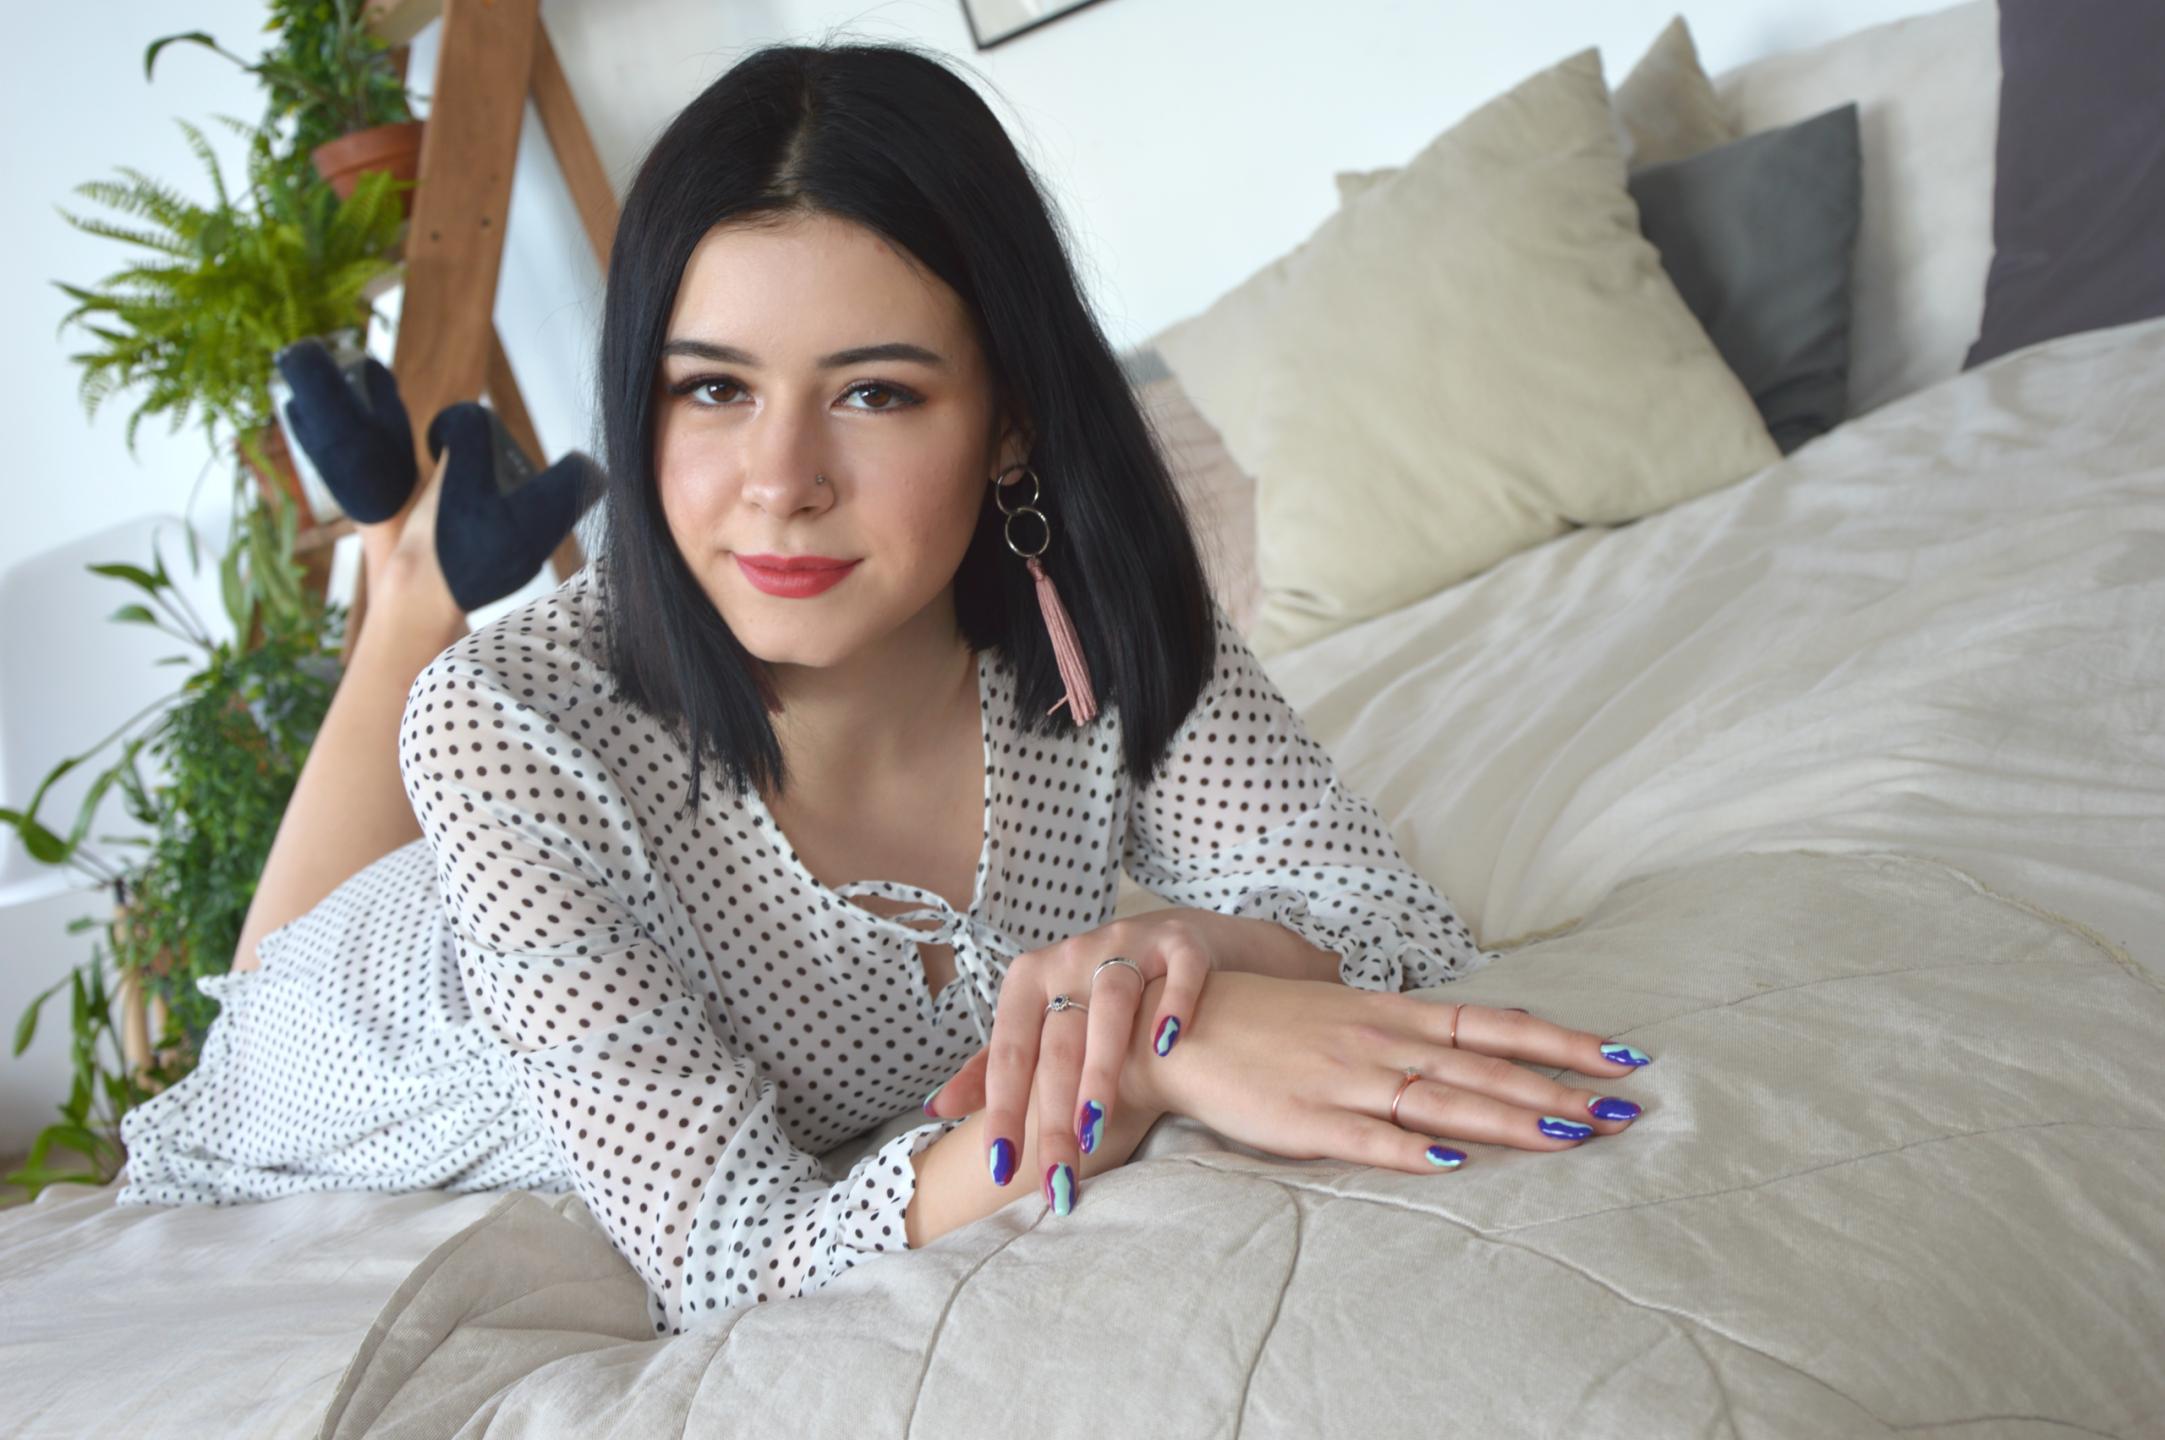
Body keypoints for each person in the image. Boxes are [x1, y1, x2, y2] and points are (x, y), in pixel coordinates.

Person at [116, 39, 1655, 1339]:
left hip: (506, 872)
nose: (781, 480)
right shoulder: (510, 723)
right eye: (712, 387)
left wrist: (1186, 962)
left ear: (1008, 417)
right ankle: (411, 587)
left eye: (872, 391)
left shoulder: (1095, 612)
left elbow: (1392, 921)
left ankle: (414, 566)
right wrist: (1135, 1069)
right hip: (376, 1034)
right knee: (258, 1006)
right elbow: (729, 1261)